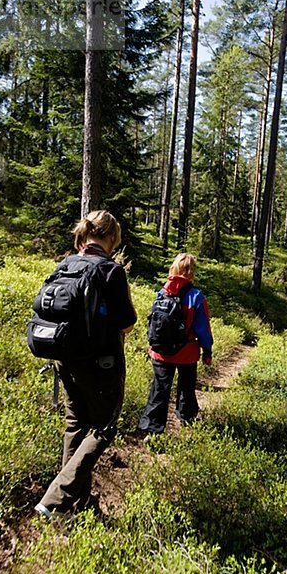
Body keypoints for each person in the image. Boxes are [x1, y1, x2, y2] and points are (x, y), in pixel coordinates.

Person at [35, 210, 137, 518]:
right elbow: (127, 321)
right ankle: (54, 499)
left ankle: (75, 506)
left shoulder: (66, 264)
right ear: (111, 238)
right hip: (101, 364)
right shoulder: (111, 271)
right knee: (103, 428)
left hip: (66, 359)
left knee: (75, 426)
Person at [139, 253, 213, 437]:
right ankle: (187, 420)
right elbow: (203, 329)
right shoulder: (196, 296)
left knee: (160, 388)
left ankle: (152, 429)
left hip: (160, 352)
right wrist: (207, 351)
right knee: (186, 386)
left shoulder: (162, 292)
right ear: (191, 272)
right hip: (186, 353)